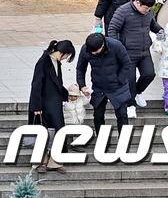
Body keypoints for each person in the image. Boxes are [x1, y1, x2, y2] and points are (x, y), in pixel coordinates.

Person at [107, 0, 161, 111]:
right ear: (137, 3)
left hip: (144, 51)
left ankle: (138, 92)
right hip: (127, 53)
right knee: (130, 80)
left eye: (149, 9)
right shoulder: (123, 11)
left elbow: (152, 24)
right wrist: (118, 48)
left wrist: (160, 31)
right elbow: (112, 29)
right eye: (145, 8)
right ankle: (130, 105)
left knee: (149, 74)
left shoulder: (148, 11)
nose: (147, 11)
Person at [27, 40, 76, 174]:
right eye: (66, 56)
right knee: (43, 132)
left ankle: (54, 161)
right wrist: (36, 106)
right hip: (43, 104)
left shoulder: (55, 63)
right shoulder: (43, 62)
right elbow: (36, 85)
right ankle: (39, 162)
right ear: (61, 52)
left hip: (53, 104)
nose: (66, 58)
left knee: (56, 131)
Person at [76, 32, 134, 134]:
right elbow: (80, 68)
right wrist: (82, 85)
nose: (93, 53)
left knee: (122, 115)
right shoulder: (86, 49)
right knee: (98, 116)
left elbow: (126, 63)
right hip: (99, 87)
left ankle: (123, 140)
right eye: (91, 51)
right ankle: (101, 141)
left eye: (96, 51)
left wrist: (119, 79)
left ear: (102, 45)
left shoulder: (115, 45)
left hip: (118, 87)